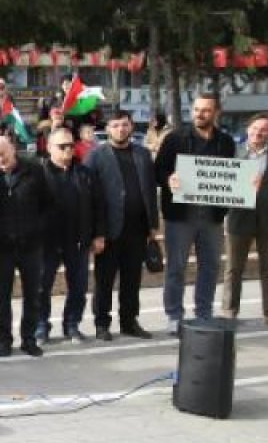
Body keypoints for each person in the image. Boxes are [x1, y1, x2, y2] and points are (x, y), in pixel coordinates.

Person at [154, 94, 236, 335]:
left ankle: (203, 312)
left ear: (216, 113)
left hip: (212, 214)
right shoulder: (175, 139)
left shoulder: (225, 142)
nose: (199, 114)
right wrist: (169, 179)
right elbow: (158, 170)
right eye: (196, 109)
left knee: (210, 265)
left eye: (205, 110)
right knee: (176, 267)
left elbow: (232, 175)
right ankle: (174, 315)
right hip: (181, 214)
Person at [84, 110, 159, 341]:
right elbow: (89, 197)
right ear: (108, 129)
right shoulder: (96, 156)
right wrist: (96, 233)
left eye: (124, 124)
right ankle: (101, 324)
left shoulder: (143, 154)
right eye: (115, 125)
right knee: (104, 280)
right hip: (108, 231)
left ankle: (129, 322)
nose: (120, 129)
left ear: (131, 126)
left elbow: (149, 191)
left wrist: (152, 226)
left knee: (132, 279)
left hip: (137, 229)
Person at [0, 137, 51, 357]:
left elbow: (48, 204)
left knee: (33, 294)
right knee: (3, 295)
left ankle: (28, 339)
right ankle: (4, 339)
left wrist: (38, 228)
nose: (0, 159)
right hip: (3, 246)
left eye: (3, 154)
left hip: (31, 245)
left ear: (12, 149)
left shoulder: (34, 169)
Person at [37, 128, 106, 344]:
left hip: (78, 240)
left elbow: (99, 206)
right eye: (62, 146)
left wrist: (99, 235)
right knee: (41, 286)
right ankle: (40, 326)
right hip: (47, 242)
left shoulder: (85, 173)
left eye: (70, 145)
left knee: (78, 286)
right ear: (49, 148)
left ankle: (72, 325)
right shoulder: (37, 174)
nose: (68, 149)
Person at [221, 113, 268, 328]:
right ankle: (229, 309)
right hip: (239, 217)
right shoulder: (232, 152)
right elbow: (219, 180)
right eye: (254, 128)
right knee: (233, 268)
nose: (258, 133)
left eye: (264, 130)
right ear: (247, 128)